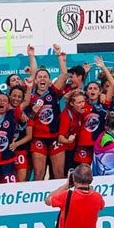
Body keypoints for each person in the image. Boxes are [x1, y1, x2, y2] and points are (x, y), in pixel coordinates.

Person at [29, 44, 68, 180]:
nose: (42, 79)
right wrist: (31, 56)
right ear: (35, 80)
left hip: (55, 137)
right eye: (39, 77)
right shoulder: (30, 95)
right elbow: (28, 117)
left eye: (45, 77)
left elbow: (64, 74)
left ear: (50, 81)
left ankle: (60, 200)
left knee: (58, 174)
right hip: (38, 138)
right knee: (39, 174)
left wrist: (59, 55)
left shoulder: (53, 92)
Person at [0, 79, 33, 184]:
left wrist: (29, 88)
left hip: (8, 161)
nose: (2, 103)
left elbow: (26, 102)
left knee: (11, 189)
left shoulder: (13, 115)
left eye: (5, 101)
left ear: (8, 103)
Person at [75, 56, 114, 165]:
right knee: (83, 173)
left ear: (100, 92)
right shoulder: (81, 104)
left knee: (101, 172)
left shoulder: (104, 104)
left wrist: (103, 66)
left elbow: (112, 84)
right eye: (90, 88)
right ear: (86, 92)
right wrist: (85, 73)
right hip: (83, 144)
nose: (92, 90)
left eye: (95, 88)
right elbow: (78, 87)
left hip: (100, 144)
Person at [8, 85, 33, 182]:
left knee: (21, 182)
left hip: (20, 151)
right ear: (9, 95)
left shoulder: (26, 113)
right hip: (5, 153)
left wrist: (16, 144)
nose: (16, 99)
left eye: (19, 97)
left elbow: (29, 136)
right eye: (14, 96)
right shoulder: (2, 110)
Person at [57, 91, 86, 175]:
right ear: (72, 104)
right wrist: (68, 140)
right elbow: (60, 138)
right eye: (79, 102)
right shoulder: (66, 115)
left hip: (75, 148)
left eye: (83, 101)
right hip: (65, 150)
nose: (82, 104)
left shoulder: (80, 112)